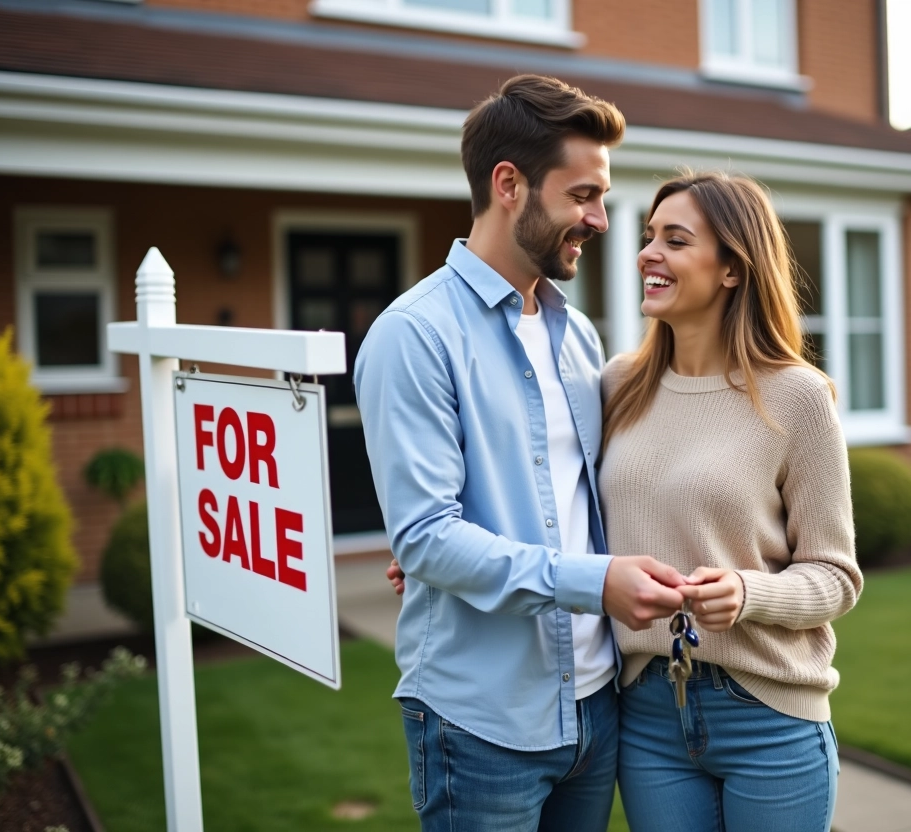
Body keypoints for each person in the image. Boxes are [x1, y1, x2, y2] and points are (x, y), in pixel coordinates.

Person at [387, 170, 861, 832]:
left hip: (769, 715)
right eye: (648, 237)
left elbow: (836, 577)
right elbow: (558, 493)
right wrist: (438, 554)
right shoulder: (617, 384)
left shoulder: (798, 397)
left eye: (675, 239)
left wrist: (749, 594)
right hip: (647, 717)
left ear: (731, 269)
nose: (646, 254)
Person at [353, 74, 690, 832]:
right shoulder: (415, 336)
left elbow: (582, 501)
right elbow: (429, 537)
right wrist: (591, 581)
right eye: (582, 196)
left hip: (598, 706)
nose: (601, 220)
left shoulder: (583, 337)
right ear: (509, 184)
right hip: (483, 724)